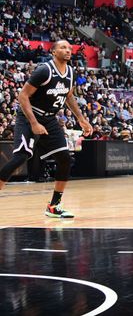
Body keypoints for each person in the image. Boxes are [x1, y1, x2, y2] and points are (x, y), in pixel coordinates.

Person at [0, 40, 92, 217]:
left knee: (65, 159)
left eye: (70, 49)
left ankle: (54, 206)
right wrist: (34, 123)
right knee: (21, 157)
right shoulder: (44, 70)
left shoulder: (71, 72)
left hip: (50, 119)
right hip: (29, 117)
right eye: (63, 48)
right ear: (53, 51)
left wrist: (81, 119)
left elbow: (69, 96)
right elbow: (23, 95)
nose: (68, 50)